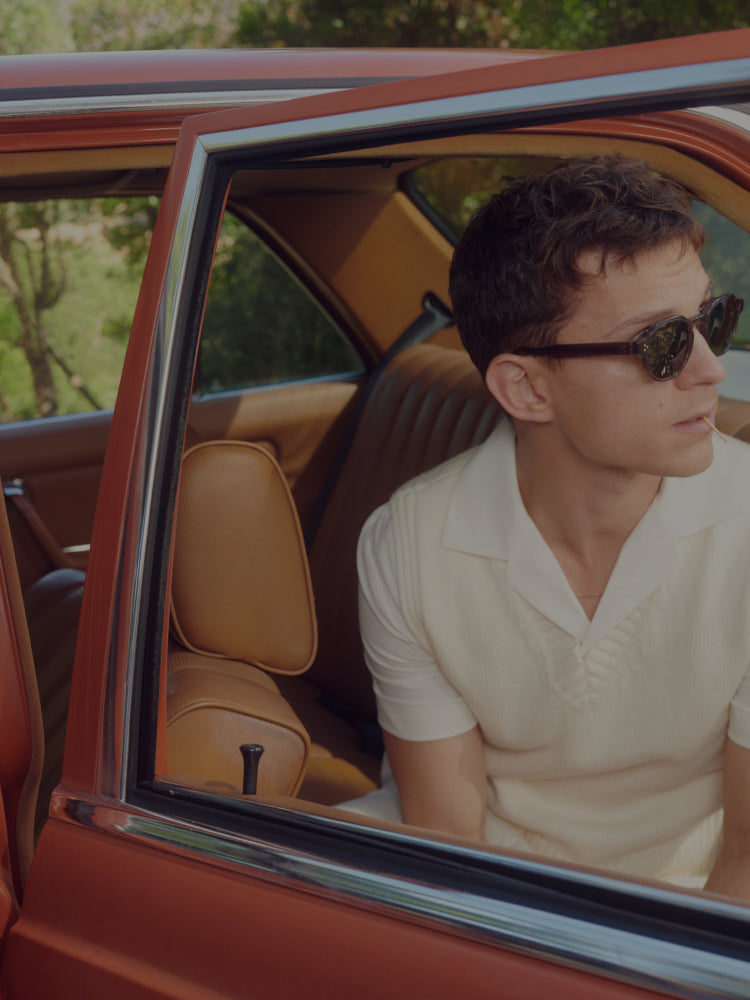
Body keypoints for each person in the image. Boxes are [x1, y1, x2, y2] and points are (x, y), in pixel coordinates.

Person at [349, 154, 750, 896]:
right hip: (499, 896)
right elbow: (446, 836)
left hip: (698, 908)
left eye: (713, 320)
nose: (710, 370)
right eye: (662, 344)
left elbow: (746, 868)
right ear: (527, 387)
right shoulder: (405, 546)